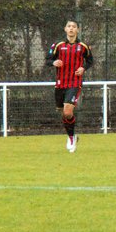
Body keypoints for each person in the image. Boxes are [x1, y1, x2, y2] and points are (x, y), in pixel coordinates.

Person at [45, 20, 94, 153]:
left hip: (74, 83)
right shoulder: (58, 45)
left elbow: (90, 61)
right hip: (60, 84)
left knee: (68, 112)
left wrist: (83, 68)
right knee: (64, 114)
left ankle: (71, 138)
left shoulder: (83, 46)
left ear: (77, 30)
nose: (71, 29)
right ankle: (72, 135)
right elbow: (48, 60)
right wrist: (54, 62)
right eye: (69, 26)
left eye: (74, 27)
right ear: (65, 29)